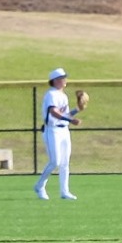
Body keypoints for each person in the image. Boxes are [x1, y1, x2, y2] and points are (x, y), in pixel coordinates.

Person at [34, 67, 81, 201]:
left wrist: (77, 109)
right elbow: (54, 112)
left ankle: (64, 191)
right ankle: (40, 186)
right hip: (52, 130)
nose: (64, 80)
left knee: (65, 162)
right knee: (55, 161)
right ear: (54, 81)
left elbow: (64, 114)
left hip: (64, 130)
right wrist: (71, 120)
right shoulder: (51, 94)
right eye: (61, 78)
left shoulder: (63, 95)